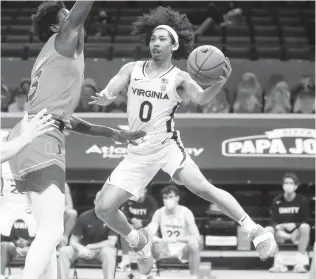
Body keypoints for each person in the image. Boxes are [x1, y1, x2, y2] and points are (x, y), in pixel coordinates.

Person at [90, 6, 276, 276]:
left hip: (166, 147)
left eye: (162, 39)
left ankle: (255, 232)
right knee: (102, 207)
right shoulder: (132, 68)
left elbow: (200, 98)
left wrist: (219, 83)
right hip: (137, 154)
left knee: (203, 188)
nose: (155, 43)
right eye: (153, 38)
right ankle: (137, 241)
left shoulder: (179, 77)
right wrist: (107, 95)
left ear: (174, 45)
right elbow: (114, 85)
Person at [6, 2, 145, 279]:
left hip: (30, 133)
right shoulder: (62, 42)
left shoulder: (53, 56)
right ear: (58, 27)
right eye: (66, 16)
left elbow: (67, 119)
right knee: (53, 231)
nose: (73, 18)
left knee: (47, 232)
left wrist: (110, 132)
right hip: (42, 137)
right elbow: (82, 10)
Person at [149, 185, 201, 278]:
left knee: (194, 243)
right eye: (165, 198)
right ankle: (144, 275)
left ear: (177, 198)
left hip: (182, 249)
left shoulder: (186, 212)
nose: (168, 200)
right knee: (144, 240)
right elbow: (150, 231)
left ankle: (194, 277)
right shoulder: (159, 213)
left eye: (170, 197)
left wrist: (176, 239)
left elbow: (196, 236)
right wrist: (155, 239)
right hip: (164, 248)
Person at [265, 173, 311, 273]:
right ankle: (278, 263)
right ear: (282, 185)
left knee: (305, 227)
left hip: (296, 233)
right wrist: (277, 227)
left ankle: (299, 264)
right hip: (281, 234)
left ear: (296, 186)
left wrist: (295, 225)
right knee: (267, 230)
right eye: (286, 183)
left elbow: (306, 220)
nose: (288, 185)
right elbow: (272, 220)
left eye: (291, 183)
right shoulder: (277, 200)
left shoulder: (302, 200)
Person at [57, 208, 118, 279]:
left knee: (109, 252)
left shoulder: (113, 218)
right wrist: (81, 248)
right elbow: (73, 240)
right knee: (64, 251)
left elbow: (111, 242)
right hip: (83, 249)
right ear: (95, 202)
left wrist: (92, 246)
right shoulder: (84, 216)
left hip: (101, 250)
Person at [117, 188, 158, 271]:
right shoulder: (128, 200)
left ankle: (152, 261)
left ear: (145, 191)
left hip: (146, 225)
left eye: (142, 191)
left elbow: (154, 217)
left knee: (153, 231)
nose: (140, 193)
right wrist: (132, 220)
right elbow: (123, 215)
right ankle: (126, 261)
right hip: (132, 225)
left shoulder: (151, 201)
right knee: (124, 230)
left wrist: (142, 222)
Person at [58, 183, 78, 248]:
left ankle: (64, 238)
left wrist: (58, 211)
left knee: (72, 213)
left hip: (59, 214)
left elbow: (70, 205)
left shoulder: (63, 184)